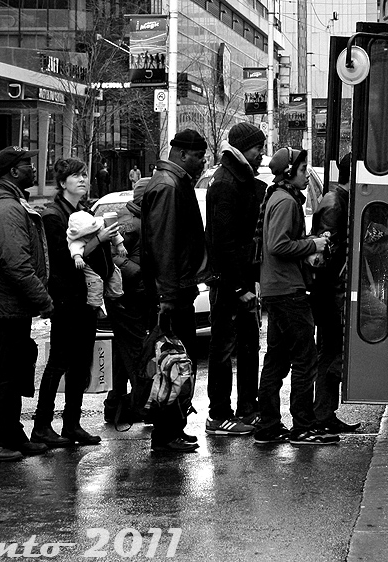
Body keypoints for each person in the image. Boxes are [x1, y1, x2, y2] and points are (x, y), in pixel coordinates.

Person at [0, 146, 54, 463]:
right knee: (3, 373)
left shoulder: (11, 203)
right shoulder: (6, 210)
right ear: (14, 172)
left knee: (14, 369)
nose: (33, 168)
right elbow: (16, 264)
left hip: (9, 303)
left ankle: (10, 434)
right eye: (28, 164)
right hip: (6, 304)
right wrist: (43, 299)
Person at [252, 147, 336, 447]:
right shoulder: (286, 202)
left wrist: (307, 245)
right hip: (288, 292)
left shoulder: (275, 197)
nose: (305, 174)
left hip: (276, 290)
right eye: (302, 169)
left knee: (276, 358)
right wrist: (312, 245)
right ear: (290, 172)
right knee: (305, 358)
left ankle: (269, 426)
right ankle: (302, 426)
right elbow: (278, 245)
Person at [32, 158, 111, 449]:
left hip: (87, 299)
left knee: (81, 363)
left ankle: (72, 424)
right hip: (66, 298)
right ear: (62, 182)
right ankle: (41, 425)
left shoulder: (82, 212)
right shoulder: (54, 216)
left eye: (84, 174)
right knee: (59, 362)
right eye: (75, 176)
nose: (82, 179)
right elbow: (63, 262)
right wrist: (98, 239)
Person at [139, 128, 209, 454]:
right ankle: (167, 434)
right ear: (182, 154)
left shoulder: (173, 182)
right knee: (174, 363)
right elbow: (163, 244)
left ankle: (172, 430)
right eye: (199, 156)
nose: (203, 162)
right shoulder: (168, 187)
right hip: (172, 294)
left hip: (177, 290)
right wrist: (167, 296)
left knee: (177, 362)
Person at [204, 122, 268, 437]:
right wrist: (240, 287)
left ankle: (247, 408)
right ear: (244, 148)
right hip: (229, 283)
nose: (261, 154)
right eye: (257, 148)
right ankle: (218, 414)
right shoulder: (225, 183)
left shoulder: (237, 180)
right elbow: (223, 243)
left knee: (247, 345)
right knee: (225, 347)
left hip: (239, 281)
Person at [310, 153, 359, 435]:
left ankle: (325, 413)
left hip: (333, 289)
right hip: (330, 291)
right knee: (332, 349)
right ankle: (322, 413)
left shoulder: (339, 200)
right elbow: (324, 253)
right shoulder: (335, 203)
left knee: (331, 348)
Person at [103, 177, 154, 430]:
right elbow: (110, 255)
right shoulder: (130, 225)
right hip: (128, 299)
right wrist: (138, 273)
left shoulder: (140, 221)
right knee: (135, 353)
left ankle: (116, 406)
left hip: (133, 298)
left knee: (126, 353)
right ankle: (141, 405)